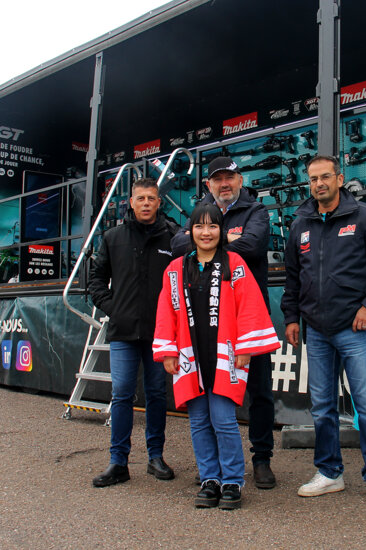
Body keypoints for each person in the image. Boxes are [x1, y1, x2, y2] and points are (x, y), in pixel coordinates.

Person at [281, 155, 366, 505]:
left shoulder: (364, 217)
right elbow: (292, 277)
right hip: (316, 330)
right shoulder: (300, 223)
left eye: (325, 177)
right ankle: (330, 472)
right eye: (313, 179)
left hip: (353, 326)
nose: (319, 183)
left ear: (339, 178)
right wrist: (291, 317)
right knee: (321, 407)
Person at [154, 203, 280, 510]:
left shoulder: (234, 263)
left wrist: (247, 349)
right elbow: (166, 311)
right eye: (199, 226)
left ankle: (233, 480)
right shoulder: (176, 268)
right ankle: (210, 478)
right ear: (190, 231)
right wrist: (168, 350)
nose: (206, 232)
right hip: (189, 356)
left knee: (223, 420)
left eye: (213, 226)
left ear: (221, 231)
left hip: (225, 355)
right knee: (198, 421)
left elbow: (249, 307)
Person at [88, 177, 179, 488]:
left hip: (160, 334)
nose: (146, 203)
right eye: (140, 198)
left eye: (151, 198)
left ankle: (156, 457)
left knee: (156, 394)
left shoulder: (173, 237)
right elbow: (95, 281)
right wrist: (115, 309)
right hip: (124, 332)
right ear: (130, 202)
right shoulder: (113, 237)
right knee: (122, 394)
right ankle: (119, 462)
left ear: (158, 202)